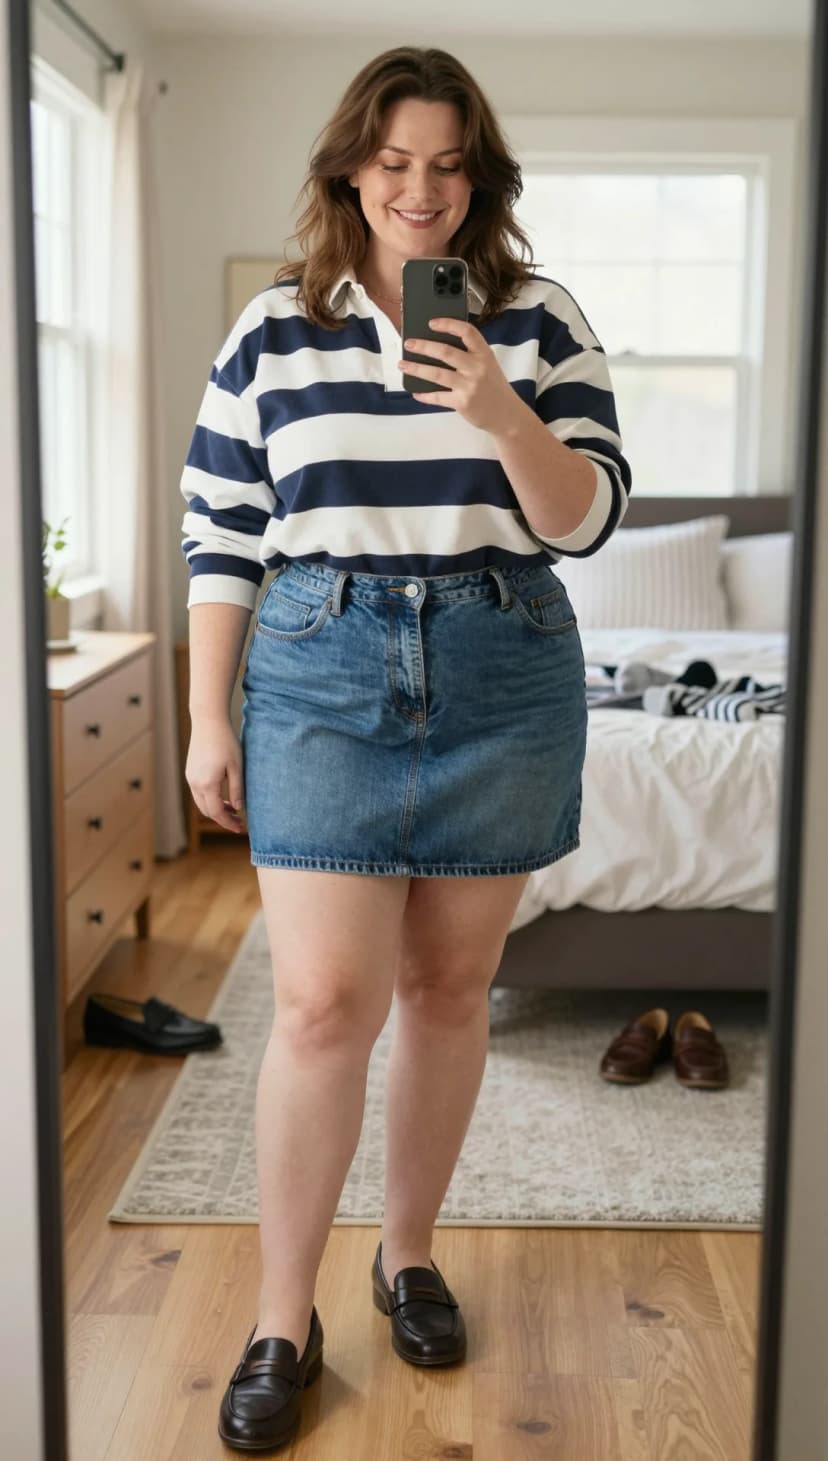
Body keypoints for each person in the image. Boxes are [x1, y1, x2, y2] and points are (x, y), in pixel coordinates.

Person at [180, 44, 631, 1453]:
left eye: (448, 165)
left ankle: (409, 1251)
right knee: (321, 1003)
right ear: (351, 173)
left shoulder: (539, 319)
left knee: (450, 989)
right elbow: (223, 531)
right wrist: (206, 713)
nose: (422, 191)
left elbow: (588, 516)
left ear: (478, 178)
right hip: (319, 664)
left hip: (503, 658)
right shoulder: (272, 329)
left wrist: (499, 409)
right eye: (395, 164)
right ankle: (280, 1313)